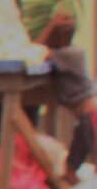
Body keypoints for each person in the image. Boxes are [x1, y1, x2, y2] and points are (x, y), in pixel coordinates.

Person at [36, 11, 93, 174]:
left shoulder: (69, 54)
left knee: (71, 169)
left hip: (91, 116)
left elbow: (36, 51)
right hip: (85, 118)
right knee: (71, 167)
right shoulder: (65, 56)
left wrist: (50, 26)